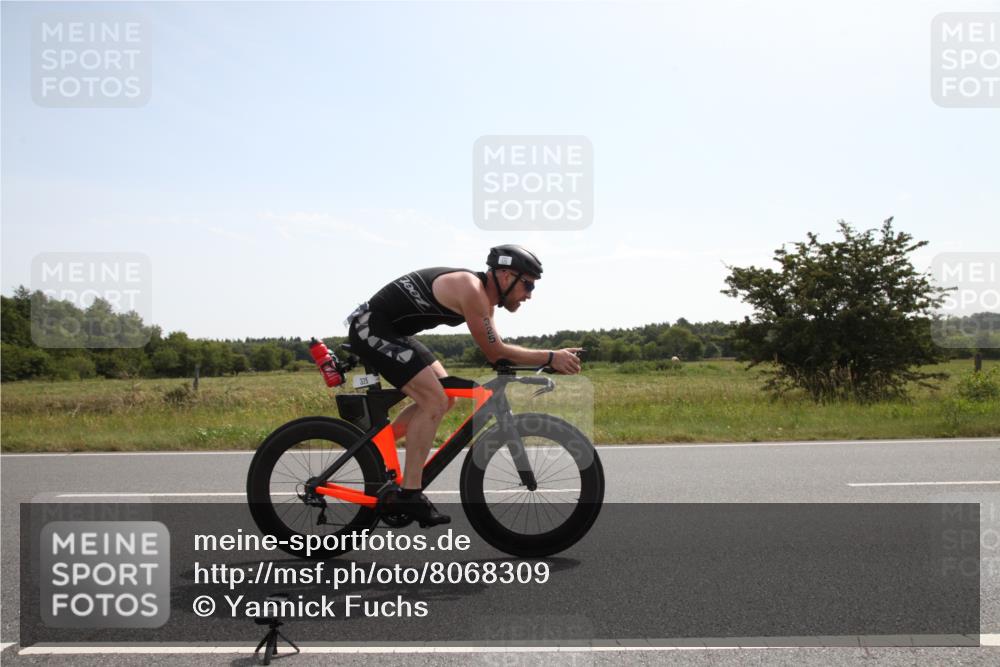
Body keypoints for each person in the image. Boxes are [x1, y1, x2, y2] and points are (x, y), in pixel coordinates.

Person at [346, 245, 582, 526]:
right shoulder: (471, 290)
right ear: (506, 276)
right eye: (528, 284)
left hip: (393, 332)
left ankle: (374, 450)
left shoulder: (484, 301)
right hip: (371, 327)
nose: (530, 294)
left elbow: (498, 354)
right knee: (433, 401)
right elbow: (497, 352)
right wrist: (550, 356)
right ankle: (409, 495)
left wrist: (546, 363)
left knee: (446, 399)